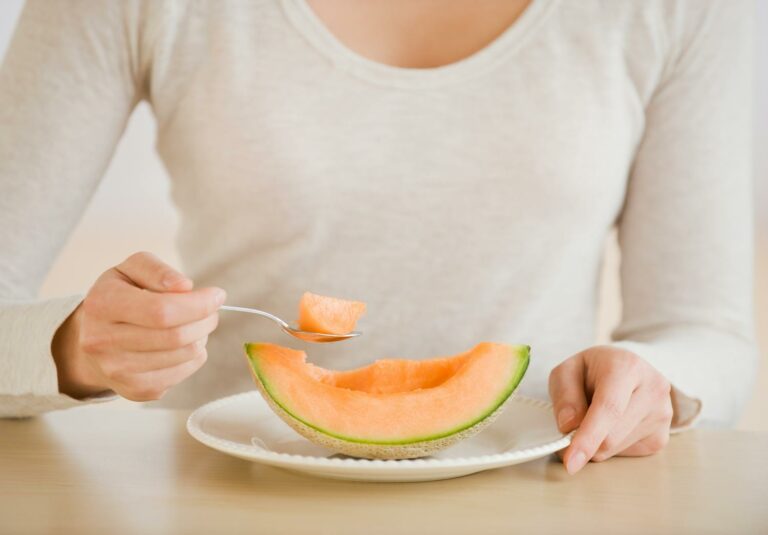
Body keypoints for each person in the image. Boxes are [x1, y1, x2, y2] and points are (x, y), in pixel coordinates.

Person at [0, 0, 757, 475]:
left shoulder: (676, 10)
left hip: (540, 495)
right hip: (229, 497)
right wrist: (76, 348)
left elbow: (706, 333)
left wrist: (654, 382)